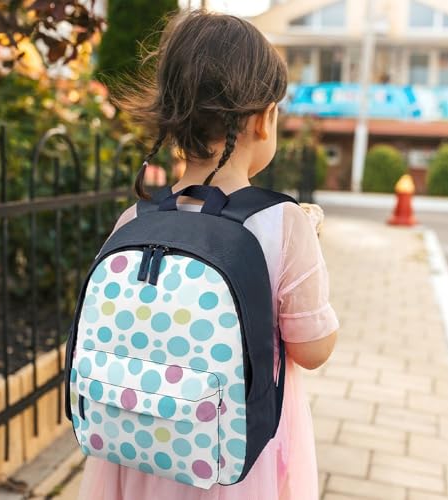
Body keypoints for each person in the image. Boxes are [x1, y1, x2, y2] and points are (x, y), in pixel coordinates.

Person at [77, 9, 339, 500]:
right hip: (230, 458)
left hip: (138, 444)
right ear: (263, 119)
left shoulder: (135, 220)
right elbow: (313, 350)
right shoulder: (285, 223)